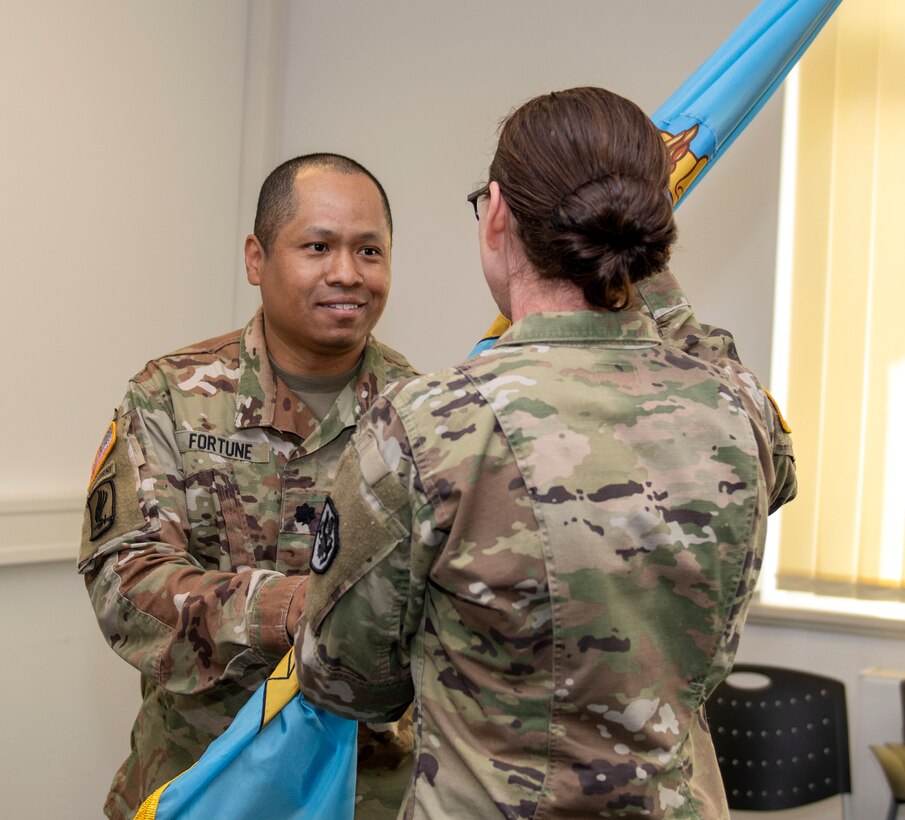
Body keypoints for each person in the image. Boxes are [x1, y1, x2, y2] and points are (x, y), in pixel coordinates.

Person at [297, 88, 797, 818]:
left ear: (496, 213)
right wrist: (639, 270)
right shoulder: (740, 411)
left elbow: (346, 681)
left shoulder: (426, 425)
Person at [78, 153, 416, 819]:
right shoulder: (170, 396)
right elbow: (124, 582)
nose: (346, 273)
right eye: (317, 246)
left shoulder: (425, 412)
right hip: (202, 781)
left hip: (365, 793)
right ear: (257, 258)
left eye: (368, 250)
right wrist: (288, 608)